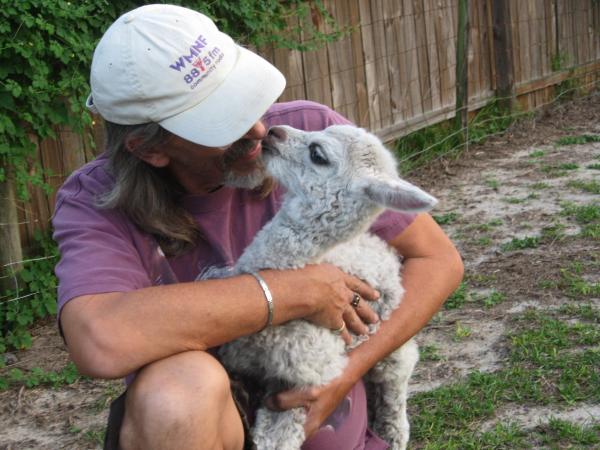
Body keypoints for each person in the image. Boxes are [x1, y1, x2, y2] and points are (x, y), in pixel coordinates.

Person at [52, 4, 463, 450]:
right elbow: (100, 339)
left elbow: (436, 258)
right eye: (221, 122)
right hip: (211, 416)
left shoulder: (311, 137)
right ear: (149, 149)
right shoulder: (96, 201)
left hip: (313, 390)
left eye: (245, 98)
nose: (260, 128)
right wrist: (293, 291)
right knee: (176, 393)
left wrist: (348, 371)